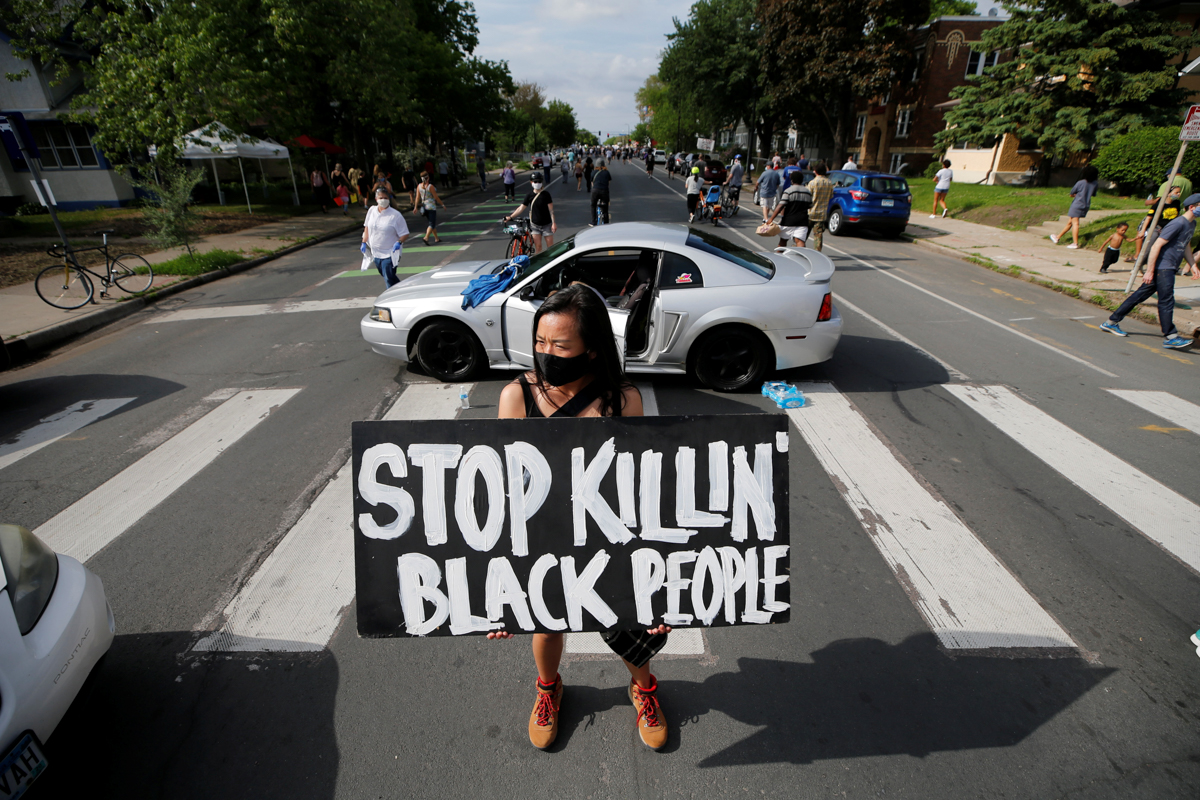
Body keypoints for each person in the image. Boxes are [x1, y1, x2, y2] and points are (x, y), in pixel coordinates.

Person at [492, 285, 670, 752]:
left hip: (606, 533)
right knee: (546, 624)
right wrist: (492, 591)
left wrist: (662, 583)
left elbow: (640, 483)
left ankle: (644, 688)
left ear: (590, 348)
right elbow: (503, 486)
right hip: (544, 534)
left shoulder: (621, 397)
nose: (546, 354)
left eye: (560, 345)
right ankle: (548, 688)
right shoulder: (517, 396)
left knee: (629, 618)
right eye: (540, 343)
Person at [1100, 192, 1200, 349]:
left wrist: (1193, 265)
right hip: (1163, 266)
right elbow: (1156, 246)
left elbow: (1186, 245)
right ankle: (1171, 336)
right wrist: (1149, 271)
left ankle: (1111, 322)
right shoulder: (1178, 223)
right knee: (1166, 300)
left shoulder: (1191, 224)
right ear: (1192, 207)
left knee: (1139, 295)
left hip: (1169, 266)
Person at [362, 188, 410, 288]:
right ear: (376, 199)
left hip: (390, 253)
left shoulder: (395, 215)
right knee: (388, 276)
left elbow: (405, 233)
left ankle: (390, 300)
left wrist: (399, 242)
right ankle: (402, 289)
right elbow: (367, 226)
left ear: (389, 199)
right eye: (381, 198)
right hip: (376, 252)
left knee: (388, 277)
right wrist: (364, 242)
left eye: (385, 198)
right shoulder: (371, 210)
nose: (383, 200)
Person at [1050, 165, 1100, 249]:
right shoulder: (1095, 184)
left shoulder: (1080, 182)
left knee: (1075, 223)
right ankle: (1057, 237)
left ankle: (1075, 243)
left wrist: (1076, 195)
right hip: (1086, 205)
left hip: (1077, 204)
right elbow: (1093, 194)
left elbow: (1072, 193)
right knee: (1070, 222)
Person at [504, 173, 556, 251]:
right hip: (535, 225)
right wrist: (511, 217)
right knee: (538, 247)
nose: (537, 183)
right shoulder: (529, 195)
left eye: (539, 181)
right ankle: (539, 263)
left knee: (550, 248)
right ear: (531, 182)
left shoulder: (546, 194)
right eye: (535, 182)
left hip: (547, 225)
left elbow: (551, 210)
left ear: (542, 182)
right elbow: (521, 208)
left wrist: (553, 223)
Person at [1131, 185, 1182, 263]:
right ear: (1168, 193)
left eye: (1179, 192)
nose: (1178, 194)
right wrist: (1142, 231)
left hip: (1167, 229)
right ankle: (1138, 266)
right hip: (1156, 228)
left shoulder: (1177, 203)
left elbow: (1177, 215)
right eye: (1176, 192)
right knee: (1148, 248)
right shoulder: (1159, 204)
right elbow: (1148, 218)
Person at [768, 171, 813, 249]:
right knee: (800, 241)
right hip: (802, 221)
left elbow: (780, 206)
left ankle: (779, 258)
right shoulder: (807, 192)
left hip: (788, 221)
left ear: (792, 180)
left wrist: (771, 219)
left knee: (783, 241)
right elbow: (810, 206)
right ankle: (801, 258)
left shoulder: (788, 191)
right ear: (802, 180)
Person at [806, 163, 834, 252]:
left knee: (804, 233)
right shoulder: (829, 183)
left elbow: (807, 197)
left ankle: (799, 249)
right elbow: (830, 196)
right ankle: (817, 252)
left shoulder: (813, 182)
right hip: (822, 213)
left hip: (811, 212)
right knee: (818, 235)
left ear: (816, 171)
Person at [414, 171, 446, 245]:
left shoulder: (419, 186)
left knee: (432, 223)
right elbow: (436, 197)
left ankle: (436, 238)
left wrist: (415, 207)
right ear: (428, 177)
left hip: (424, 207)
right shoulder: (430, 186)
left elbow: (417, 197)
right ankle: (426, 237)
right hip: (431, 207)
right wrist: (442, 205)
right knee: (432, 224)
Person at [590, 159, 612, 225]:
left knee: (593, 205)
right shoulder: (607, 172)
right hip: (604, 191)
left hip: (595, 191)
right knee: (605, 208)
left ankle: (593, 221)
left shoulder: (593, 172)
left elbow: (592, 183)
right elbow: (608, 182)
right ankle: (606, 222)